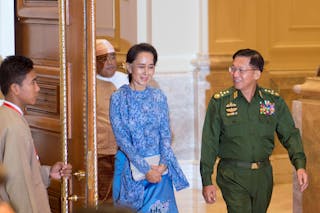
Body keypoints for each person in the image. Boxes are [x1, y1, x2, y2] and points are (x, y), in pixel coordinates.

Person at [200, 48, 308, 213]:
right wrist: (207, 180)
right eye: (233, 68)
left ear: (257, 74)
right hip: (232, 174)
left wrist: (299, 165)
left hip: (263, 176)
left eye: (241, 70)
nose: (235, 74)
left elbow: (290, 134)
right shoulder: (220, 102)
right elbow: (209, 142)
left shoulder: (272, 101)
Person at [110, 43, 189, 212]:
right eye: (141, 67)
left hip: (160, 171)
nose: (146, 72)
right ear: (129, 67)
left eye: (151, 67)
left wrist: (162, 165)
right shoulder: (119, 98)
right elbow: (122, 139)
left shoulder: (158, 96)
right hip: (132, 170)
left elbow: (165, 134)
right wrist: (145, 169)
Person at [0, 55, 72, 213]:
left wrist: (47, 173)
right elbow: (18, 183)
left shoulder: (7, 116)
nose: (38, 88)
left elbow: (20, 169)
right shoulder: (14, 126)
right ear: (15, 88)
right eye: (33, 82)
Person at [96, 39, 129, 202]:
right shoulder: (88, 84)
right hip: (102, 153)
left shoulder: (125, 80)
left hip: (126, 151)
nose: (109, 62)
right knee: (106, 198)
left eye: (112, 57)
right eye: (103, 58)